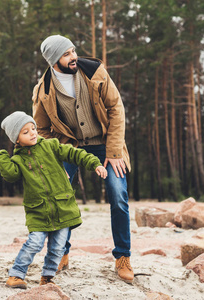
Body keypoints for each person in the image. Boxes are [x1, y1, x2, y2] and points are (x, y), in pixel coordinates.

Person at [32, 35, 133, 283]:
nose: (73, 56)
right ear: (54, 60)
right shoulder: (43, 90)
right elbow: (42, 130)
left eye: (73, 50)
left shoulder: (96, 72)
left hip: (106, 144)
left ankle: (123, 258)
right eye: (66, 54)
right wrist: (56, 160)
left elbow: (116, 109)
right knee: (60, 197)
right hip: (69, 147)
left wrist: (114, 151)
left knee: (118, 195)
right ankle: (59, 254)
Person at [0, 111, 107, 289]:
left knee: (57, 248)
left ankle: (47, 277)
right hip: (38, 211)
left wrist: (95, 163)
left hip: (63, 207)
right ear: (16, 139)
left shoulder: (51, 145)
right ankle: (16, 275)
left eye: (33, 128)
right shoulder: (18, 159)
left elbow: (74, 154)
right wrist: (0, 156)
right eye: (25, 132)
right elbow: (10, 175)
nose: (32, 133)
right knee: (34, 243)